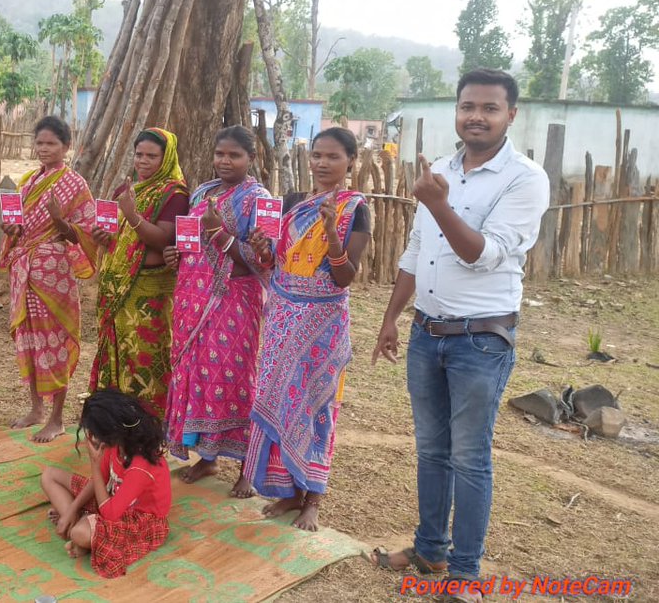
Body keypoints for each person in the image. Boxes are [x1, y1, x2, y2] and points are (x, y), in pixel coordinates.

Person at [369, 68, 549, 600]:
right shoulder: (442, 169)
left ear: (510, 115)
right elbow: (414, 252)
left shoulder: (525, 178)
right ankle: (429, 550)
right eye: (468, 105)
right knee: (431, 449)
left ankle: (465, 575)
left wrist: (438, 203)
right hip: (426, 332)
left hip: (481, 339)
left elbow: (483, 253)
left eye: (489, 108)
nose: (476, 116)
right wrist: (391, 317)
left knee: (470, 456)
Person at [242, 127, 371, 531]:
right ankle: (288, 493)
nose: (322, 163)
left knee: (317, 406)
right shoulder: (295, 204)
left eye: (332, 156)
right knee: (281, 400)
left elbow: (345, 276)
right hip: (282, 317)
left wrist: (332, 232)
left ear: (350, 161)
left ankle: (313, 496)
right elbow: (273, 263)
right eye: (316, 155)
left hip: (322, 324)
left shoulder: (355, 209)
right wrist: (262, 246)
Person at [163, 125, 272, 497]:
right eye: (220, 154)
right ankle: (208, 457)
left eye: (234, 155)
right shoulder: (203, 192)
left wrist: (219, 233)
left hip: (232, 303)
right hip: (192, 301)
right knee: (199, 377)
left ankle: (247, 468)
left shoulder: (259, 199)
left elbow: (260, 262)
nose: (225, 161)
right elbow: (188, 243)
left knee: (236, 381)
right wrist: (174, 254)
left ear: (251, 158)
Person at [0, 116, 97, 443]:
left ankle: (57, 418)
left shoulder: (75, 185)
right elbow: (20, 227)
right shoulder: (28, 182)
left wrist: (59, 221)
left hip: (53, 273)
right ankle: (36, 408)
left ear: (66, 147)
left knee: (54, 339)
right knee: (29, 338)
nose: (44, 149)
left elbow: (86, 234)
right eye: (39, 142)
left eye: (51, 143)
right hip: (23, 270)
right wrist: (11, 230)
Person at [89, 127, 189, 417]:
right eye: (139, 154)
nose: (143, 161)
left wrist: (132, 215)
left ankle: (149, 424)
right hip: (118, 286)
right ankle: (117, 421)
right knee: (118, 354)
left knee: (145, 359)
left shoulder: (175, 194)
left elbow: (164, 239)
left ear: (167, 158)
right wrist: (103, 236)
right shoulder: (127, 190)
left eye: (152, 156)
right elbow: (118, 237)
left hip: (150, 292)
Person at [39, 389, 171, 578]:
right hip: (111, 498)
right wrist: (71, 511)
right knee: (49, 476)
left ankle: (84, 530)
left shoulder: (140, 465)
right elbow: (98, 481)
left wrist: (94, 462)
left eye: (94, 432)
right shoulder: (117, 443)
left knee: (80, 533)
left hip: (139, 521)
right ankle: (79, 522)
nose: (91, 437)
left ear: (111, 432)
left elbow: (110, 514)